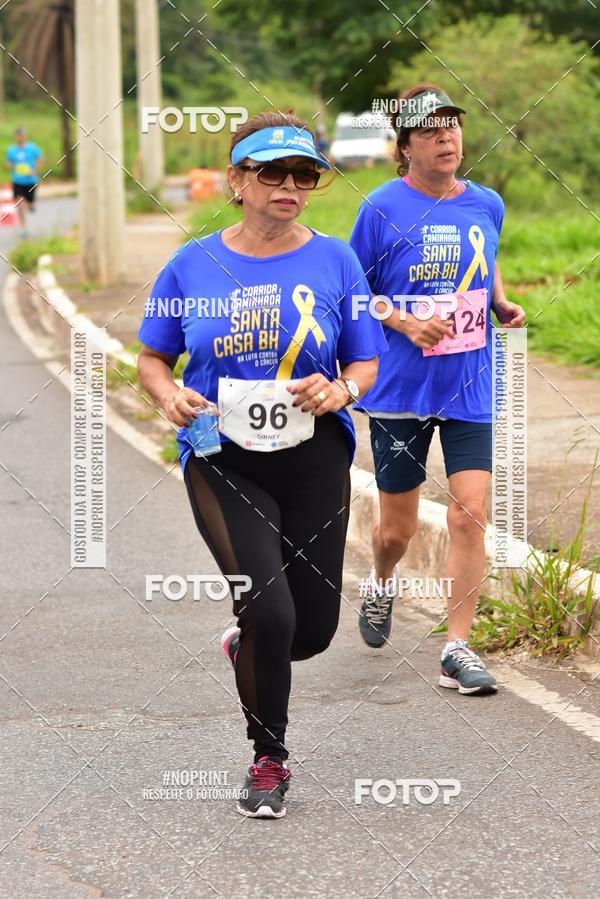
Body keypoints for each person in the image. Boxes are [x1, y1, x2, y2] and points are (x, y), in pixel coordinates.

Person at [137, 111, 387, 818]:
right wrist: (167, 394)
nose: (289, 186)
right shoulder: (191, 264)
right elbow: (152, 357)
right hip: (222, 458)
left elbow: (366, 359)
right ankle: (268, 759)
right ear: (236, 181)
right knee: (271, 611)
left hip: (314, 457)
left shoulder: (337, 260)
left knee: (310, 631)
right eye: (271, 172)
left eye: (304, 173)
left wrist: (344, 389)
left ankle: (249, 640)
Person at [349, 84, 526, 695]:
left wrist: (498, 300)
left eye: (452, 126)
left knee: (470, 513)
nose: (447, 137)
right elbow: (351, 293)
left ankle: (458, 647)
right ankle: (380, 581)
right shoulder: (378, 208)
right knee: (397, 528)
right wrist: (404, 320)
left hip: (471, 380)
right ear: (405, 147)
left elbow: (488, 253)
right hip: (400, 389)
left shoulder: (487, 202)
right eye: (430, 130)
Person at [5, 127, 44, 238]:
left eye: (21, 135)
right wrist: (9, 165)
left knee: (30, 203)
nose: (20, 137)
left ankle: (31, 204)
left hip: (31, 181)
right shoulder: (11, 150)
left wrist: (35, 170)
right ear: (15, 136)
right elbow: (8, 163)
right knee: (20, 203)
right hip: (17, 181)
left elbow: (41, 158)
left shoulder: (32, 148)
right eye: (18, 135)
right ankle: (23, 227)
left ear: (25, 136)